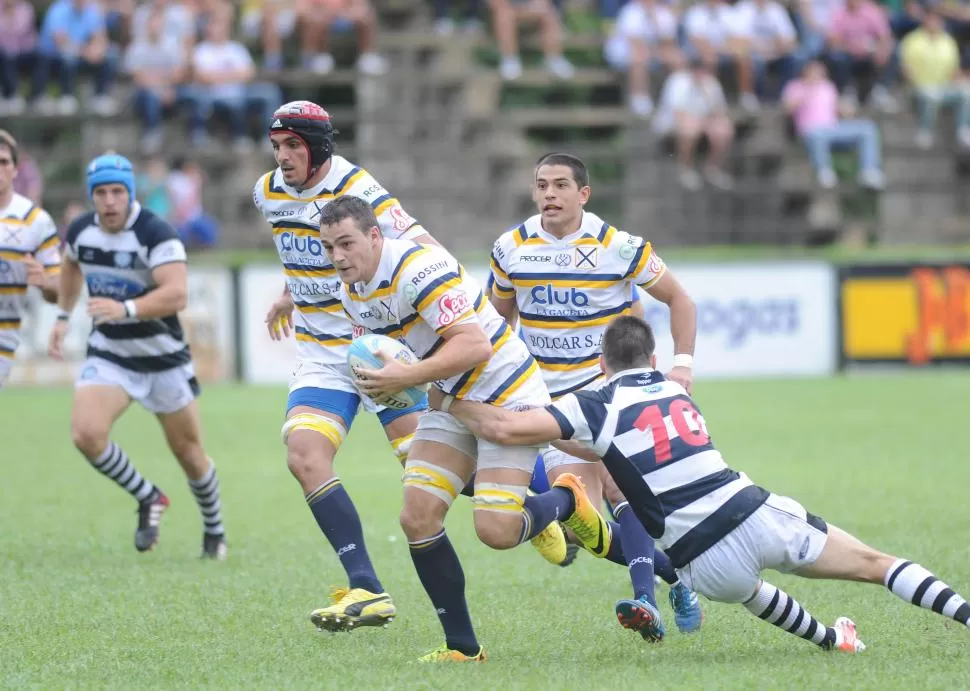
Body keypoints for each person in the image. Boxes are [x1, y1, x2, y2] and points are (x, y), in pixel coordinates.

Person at [435, 316, 970, 652]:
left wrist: (440, 398)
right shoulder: (674, 390)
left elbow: (507, 428)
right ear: (653, 359)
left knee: (754, 592)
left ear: (602, 364)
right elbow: (608, 444)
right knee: (876, 566)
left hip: (703, 563)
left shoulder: (594, 404)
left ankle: (834, 640)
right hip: (750, 512)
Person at [321, 195, 608, 662]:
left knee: (495, 531)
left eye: (346, 243)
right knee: (417, 517)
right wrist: (385, 383)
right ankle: (463, 648)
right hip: (449, 401)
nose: (337, 256)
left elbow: (473, 346)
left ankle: (566, 500)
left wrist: (407, 378)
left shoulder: (418, 269)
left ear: (375, 236)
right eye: (329, 246)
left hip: (507, 392)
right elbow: (387, 355)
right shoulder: (351, 290)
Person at [488, 152, 703, 641]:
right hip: (542, 395)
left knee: (618, 485)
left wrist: (682, 366)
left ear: (583, 194)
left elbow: (680, 299)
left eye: (561, 185)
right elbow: (496, 327)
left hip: (603, 389)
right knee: (587, 515)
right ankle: (675, 574)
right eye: (542, 185)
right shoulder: (511, 247)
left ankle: (644, 600)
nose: (549, 194)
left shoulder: (618, 246)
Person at [48, 153, 227, 559]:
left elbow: (177, 292)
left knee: (189, 454)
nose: (109, 201)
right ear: (91, 196)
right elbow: (71, 266)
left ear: (130, 193)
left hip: (163, 359)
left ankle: (214, 531)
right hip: (111, 354)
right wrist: (62, 315)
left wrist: (126, 308)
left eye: (117, 192)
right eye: (101, 193)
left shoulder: (155, 232)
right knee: (86, 434)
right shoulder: (80, 230)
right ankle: (148, 496)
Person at [0, 130, 60, 387]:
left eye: (3, 162)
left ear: (15, 170)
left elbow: (58, 291)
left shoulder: (36, 221)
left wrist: (45, 282)